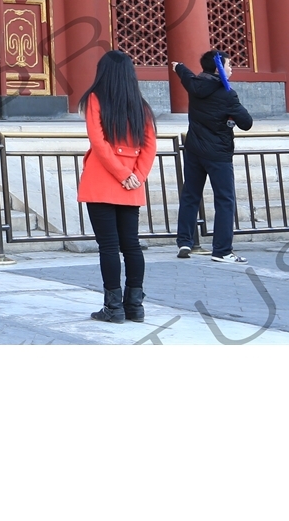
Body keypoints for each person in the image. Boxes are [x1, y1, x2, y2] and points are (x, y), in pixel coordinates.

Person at [78, 49, 157, 322]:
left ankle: (113, 308)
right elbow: (150, 145)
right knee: (131, 245)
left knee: (109, 247)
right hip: (132, 182)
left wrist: (122, 174)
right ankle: (135, 305)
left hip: (103, 179)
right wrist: (137, 175)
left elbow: (98, 142)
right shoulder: (141, 105)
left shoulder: (95, 99)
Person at [173, 49, 254, 263]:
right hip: (218, 153)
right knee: (225, 200)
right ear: (219, 67)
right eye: (228, 64)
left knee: (190, 195)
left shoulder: (195, 85)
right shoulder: (227, 94)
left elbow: (185, 74)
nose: (231, 68)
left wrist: (178, 66)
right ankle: (222, 250)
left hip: (194, 150)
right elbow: (246, 122)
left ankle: (184, 241)